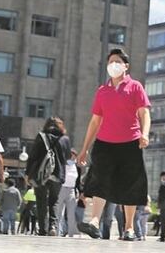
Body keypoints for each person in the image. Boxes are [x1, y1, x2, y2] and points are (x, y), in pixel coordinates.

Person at [76, 47, 152, 241]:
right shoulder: (102, 91)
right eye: (110, 62)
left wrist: (144, 134)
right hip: (104, 143)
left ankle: (128, 228)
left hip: (130, 143)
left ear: (126, 66)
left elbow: (144, 113)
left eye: (117, 61)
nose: (113, 65)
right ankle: (94, 222)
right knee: (100, 181)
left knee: (130, 185)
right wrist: (84, 149)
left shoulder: (135, 86)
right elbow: (95, 121)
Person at [25, 116, 71, 236]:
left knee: (41, 201)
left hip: (41, 174)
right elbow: (67, 157)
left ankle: (42, 229)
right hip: (58, 174)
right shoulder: (65, 139)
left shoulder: (41, 136)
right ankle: (53, 227)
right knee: (54, 201)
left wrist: (27, 173)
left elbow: (33, 156)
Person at [57, 152, 82, 237]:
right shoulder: (62, 164)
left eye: (74, 156)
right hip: (62, 188)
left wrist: (79, 191)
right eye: (71, 155)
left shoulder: (76, 167)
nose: (72, 157)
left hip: (71, 190)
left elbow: (78, 182)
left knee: (71, 214)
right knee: (59, 213)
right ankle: (57, 233)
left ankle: (71, 234)